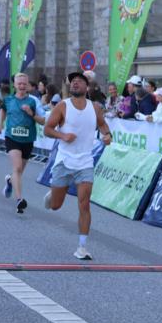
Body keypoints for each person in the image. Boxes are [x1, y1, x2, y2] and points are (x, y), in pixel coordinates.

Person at [42, 72, 113, 260]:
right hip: (64, 161)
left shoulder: (95, 107)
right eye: (72, 82)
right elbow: (47, 129)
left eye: (79, 81)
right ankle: (53, 193)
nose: (75, 84)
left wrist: (107, 136)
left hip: (85, 163)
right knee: (56, 206)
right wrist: (63, 136)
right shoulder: (62, 106)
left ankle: (82, 247)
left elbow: (104, 126)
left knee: (84, 205)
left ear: (87, 87)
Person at [0, 72, 47, 213]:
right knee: (17, 167)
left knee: (19, 172)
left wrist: (31, 113)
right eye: (20, 84)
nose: (22, 86)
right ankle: (19, 200)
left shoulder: (34, 101)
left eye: (25, 83)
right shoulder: (8, 100)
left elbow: (43, 121)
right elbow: (3, 111)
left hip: (28, 139)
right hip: (12, 138)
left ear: (28, 85)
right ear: (15, 85)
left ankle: (10, 182)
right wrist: (0, 124)